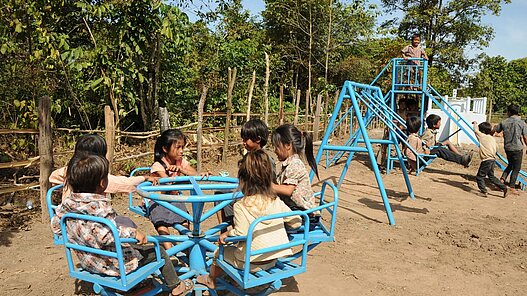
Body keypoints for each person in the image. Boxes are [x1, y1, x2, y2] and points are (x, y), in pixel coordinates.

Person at [50, 154, 193, 295]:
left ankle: (134, 287)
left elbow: (56, 227)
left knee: (131, 245)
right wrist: (133, 233)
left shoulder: (67, 204)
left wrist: (79, 235)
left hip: (89, 261)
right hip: (114, 264)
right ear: (102, 183)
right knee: (158, 250)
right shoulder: (100, 207)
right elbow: (105, 236)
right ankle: (177, 286)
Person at [196, 150, 301, 289]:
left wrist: (227, 234)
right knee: (237, 250)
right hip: (273, 259)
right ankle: (233, 278)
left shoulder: (241, 205)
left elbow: (241, 233)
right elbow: (297, 221)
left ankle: (210, 279)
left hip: (250, 263)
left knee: (218, 253)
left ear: (243, 180)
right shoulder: (275, 201)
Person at [49, 134, 158, 201]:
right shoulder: (97, 178)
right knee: (127, 223)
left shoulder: (69, 172)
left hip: (69, 223)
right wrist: (144, 178)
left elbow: (52, 178)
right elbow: (125, 184)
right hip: (95, 224)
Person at [216, 119, 276, 225]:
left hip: (257, 194)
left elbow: (267, 182)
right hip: (248, 190)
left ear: (257, 140)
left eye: (246, 139)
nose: (243, 143)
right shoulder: (248, 157)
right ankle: (226, 228)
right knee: (221, 192)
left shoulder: (265, 159)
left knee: (224, 196)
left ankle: (230, 228)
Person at [148, 129, 197, 250]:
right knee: (161, 223)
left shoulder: (180, 162)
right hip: (158, 199)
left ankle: (187, 249)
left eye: (182, 147)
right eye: (178, 147)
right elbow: (167, 182)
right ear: (165, 149)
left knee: (185, 221)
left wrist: (181, 170)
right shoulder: (158, 166)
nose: (181, 151)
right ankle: (170, 251)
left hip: (173, 198)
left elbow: (195, 174)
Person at [271, 124, 320, 229]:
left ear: (288, 145)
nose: (275, 150)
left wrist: (266, 186)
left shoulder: (295, 164)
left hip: (304, 215)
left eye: (277, 146)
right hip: (296, 209)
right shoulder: (287, 164)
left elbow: (288, 190)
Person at [493, 104, 527, 195]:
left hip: (508, 147)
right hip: (517, 148)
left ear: (509, 112)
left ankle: (501, 181)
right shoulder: (522, 123)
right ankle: (512, 187)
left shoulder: (504, 122)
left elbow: (495, 130)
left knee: (511, 165)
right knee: (516, 168)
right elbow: (525, 137)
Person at [472, 121, 508, 198]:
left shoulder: (482, 136)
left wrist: (475, 124)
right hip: (492, 159)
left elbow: (475, 131)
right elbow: (497, 148)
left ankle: (484, 191)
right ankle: (504, 187)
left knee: (480, 176)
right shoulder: (492, 139)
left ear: (483, 131)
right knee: (491, 176)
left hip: (486, 160)